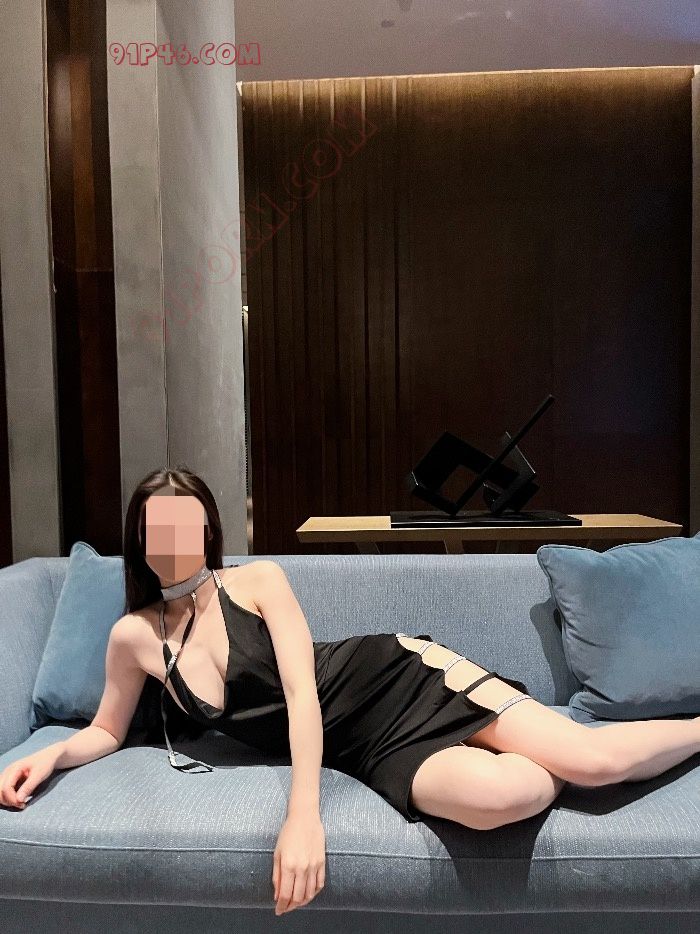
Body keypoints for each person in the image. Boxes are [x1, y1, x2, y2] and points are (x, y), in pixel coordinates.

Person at [2, 466, 700, 916]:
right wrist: (51, 755)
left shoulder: (258, 580)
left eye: (184, 523)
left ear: (208, 529)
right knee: (503, 798)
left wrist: (303, 817)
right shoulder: (133, 636)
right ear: (138, 537)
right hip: (360, 749)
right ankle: (541, 749)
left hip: (391, 677)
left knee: (593, 762)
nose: (171, 538)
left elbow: (303, 697)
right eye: (155, 527)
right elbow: (106, 729)